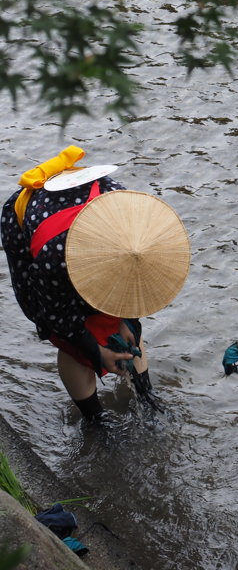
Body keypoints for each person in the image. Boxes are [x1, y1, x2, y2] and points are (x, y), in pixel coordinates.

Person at [1, 146, 190, 420]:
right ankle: (94, 418)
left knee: (128, 330)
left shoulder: (131, 217)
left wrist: (128, 320)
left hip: (90, 216)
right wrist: (96, 351)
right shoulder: (53, 257)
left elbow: (133, 289)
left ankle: (146, 395)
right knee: (72, 344)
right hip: (35, 230)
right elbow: (59, 318)